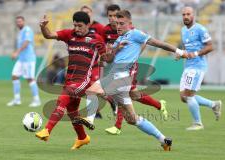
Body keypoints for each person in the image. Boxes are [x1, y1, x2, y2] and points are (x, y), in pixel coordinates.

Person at [74, 10, 186, 151]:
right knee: (132, 119)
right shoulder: (120, 39)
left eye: (122, 23)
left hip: (121, 77)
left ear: (130, 24)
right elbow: (107, 59)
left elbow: (158, 43)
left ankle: (89, 119)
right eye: (116, 24)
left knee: (91, 91)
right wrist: (113, 50)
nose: (118, 26)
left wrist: (179, 52)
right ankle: (163, 140)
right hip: (119, 78)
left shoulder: (135, 34)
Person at [35, 11, 107, 150]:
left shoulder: (96, 39)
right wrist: (43, 27)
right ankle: (82, 138)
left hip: (84, 79)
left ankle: (47, 130)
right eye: (75, 25)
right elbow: (49, 35)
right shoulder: (69, 34)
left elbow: (105, 59)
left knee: (63, 98)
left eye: (80, 26)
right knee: (72, 111)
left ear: (88, 25)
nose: (77, 29)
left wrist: (100, 81)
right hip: (70, 79)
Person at [102, 4, 168, 135]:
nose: (112, 19)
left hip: (129, 67)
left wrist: (133, 57)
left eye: (114, 16)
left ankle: (117, 126)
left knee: (119, 92)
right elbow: (107, 50)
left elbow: (143, 43)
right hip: (117, 67)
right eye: (110, 16)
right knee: (134, 95)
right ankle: (159, 105)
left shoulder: (132, 31)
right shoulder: (106, 30)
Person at [177, 6, 222, 131]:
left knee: (189, 95)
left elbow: (210, 47)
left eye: (188, 14)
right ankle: (213, 104)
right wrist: (181, 54)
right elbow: (188, 49)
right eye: (183, 14)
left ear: (194, 15)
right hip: (188, 65)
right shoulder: (183, 30)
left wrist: (195, 54)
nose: (185, 16)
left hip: (198, 66)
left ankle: (198, 123)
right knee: (183, 97)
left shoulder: (201, 29)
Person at [81, 5, 117, 118]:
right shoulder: (80, 29)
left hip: (97, 62)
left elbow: (104, 43)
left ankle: (96, 111)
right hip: (85, 63)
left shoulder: (99, 27)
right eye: (83, 12)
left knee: (94, 87)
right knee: (87, 87)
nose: (86, 14)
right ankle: (107, 103)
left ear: (91, 13)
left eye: (88, 12)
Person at [7, 16, 41, 107]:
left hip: (28, 59)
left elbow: (26, 42)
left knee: (30, 78)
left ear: (24, 22)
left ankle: (36, 99)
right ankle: (17, 99)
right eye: (17, 22)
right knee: (14, 76)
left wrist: (16, 52)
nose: (19, 23)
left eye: (20, 21)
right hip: (21, 60)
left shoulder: (27, 30)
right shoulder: (20, 32)